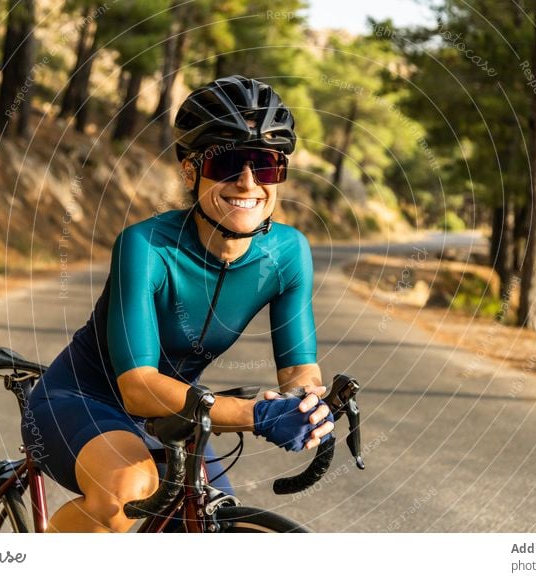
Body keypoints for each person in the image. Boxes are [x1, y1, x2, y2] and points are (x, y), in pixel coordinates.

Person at [21, 75, 334, 533]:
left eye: (266, 165)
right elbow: (138, 387)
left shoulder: (288, 253)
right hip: (82, 400)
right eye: (229, 162)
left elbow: (299, 372)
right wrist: (255, 415)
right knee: (128, 492)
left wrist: (306, 404)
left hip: (181, 415)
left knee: (209, 521)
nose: (248, 182)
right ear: (190, 171)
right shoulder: (146, 246)